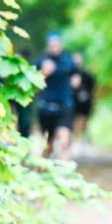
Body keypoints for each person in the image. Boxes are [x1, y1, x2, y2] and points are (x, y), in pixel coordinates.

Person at [35, 32, 77, 160]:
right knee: (48, 144)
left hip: (65, 104)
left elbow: (76, 75)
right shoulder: (41, 62)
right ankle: (45, 169)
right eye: (52, 45)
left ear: (61, 45)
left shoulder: (68, 62)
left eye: (57, 45)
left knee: (64, 137)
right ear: (48, 46)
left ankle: (64, 171)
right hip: (46, 106)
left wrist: (76, 81)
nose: (55, 48)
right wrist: (43, 73)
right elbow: (33, 85)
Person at [71, 52, 96, 140]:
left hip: (85, 102)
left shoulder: (86, 73)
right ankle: (76, 139)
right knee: (74, 122)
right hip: (72, 101)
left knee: (83, 121)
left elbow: (92, 87)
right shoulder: (68, 73)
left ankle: (81, 139)